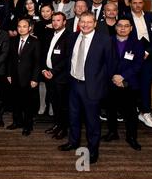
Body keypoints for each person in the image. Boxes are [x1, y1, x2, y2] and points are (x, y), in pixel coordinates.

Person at [58, 11, 115, 164]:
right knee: (73, 117)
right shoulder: (73, 37)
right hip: (74, 84)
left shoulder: (104, 40)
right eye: (82, 21)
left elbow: (110, 65)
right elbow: (69, 59)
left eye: (89, 22)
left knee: (92, 121)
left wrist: (104, 87)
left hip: (92, 87)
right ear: (79, 23)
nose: (85, 25)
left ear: (95, 23)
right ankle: (73, 142)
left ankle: (93, 149)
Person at [103, 17, 143, 151]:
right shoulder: (108, 41)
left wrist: (123, 77)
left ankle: (131, 137)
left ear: (131, 28)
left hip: (129, 83)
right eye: (120, 25)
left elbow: (138, 64)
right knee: (111, 110)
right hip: (111, 82)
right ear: (115, 27)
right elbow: (103, 61)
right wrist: (114, 77)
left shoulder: (137, 43)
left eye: (126, 26)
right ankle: (112, 132)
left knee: (130, 113)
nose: (123, 28)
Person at [127, 0, 152, 129]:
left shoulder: (151, 17)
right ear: (130, 4)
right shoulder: (126, 17)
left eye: (140, 3)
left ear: (143, 4)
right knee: (132, 85)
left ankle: (146, 112)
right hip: (131, 56)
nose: (137, 5)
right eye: (135, 3)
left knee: (146, 83)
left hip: (148, 55)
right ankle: (132, 111)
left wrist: (148, 51)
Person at [6, 18, 41, 136]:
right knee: (15, 102)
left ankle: (27, 125)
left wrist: (35, 78)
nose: (21, 28)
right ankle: (17, 122)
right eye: (19, 26)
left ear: (29, 28)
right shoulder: (13, 41)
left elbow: (37, 62)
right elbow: (10, 59)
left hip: (29, 78)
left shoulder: (35, 42)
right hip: (15, 77)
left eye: (24, 26)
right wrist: (9, 74)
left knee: (28, 104)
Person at [41, 12, 71, 140]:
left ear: (64, 22)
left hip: (61, 77)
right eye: (53, 20)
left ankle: (63, 129)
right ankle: (57, 125)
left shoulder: (69, 36)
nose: (55, 23)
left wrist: (53, 72)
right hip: (49, 75)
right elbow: (44, 53)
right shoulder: (49, 35)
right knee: (54, 102)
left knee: (62, 105)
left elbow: (67, 59)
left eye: (58, 20)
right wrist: (44, 70)